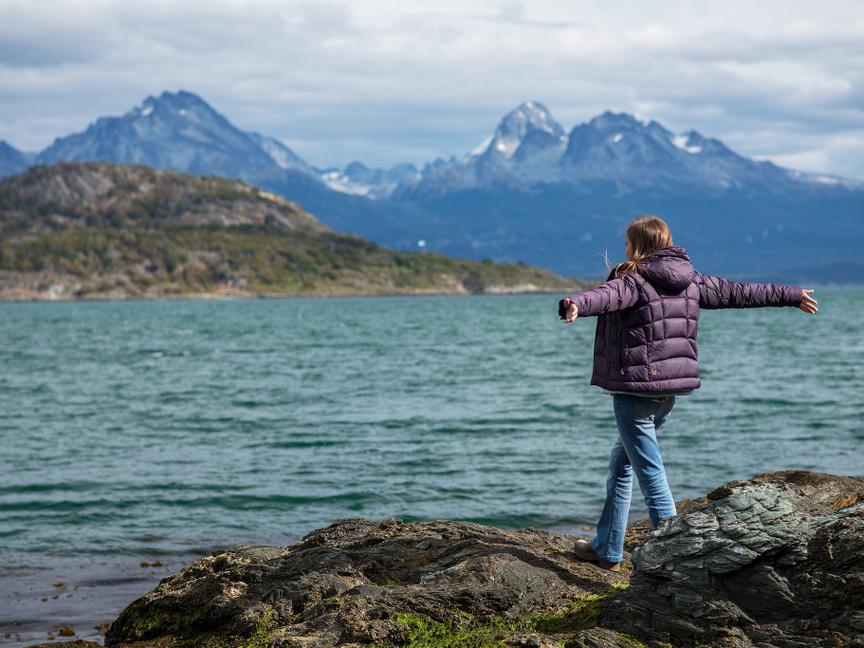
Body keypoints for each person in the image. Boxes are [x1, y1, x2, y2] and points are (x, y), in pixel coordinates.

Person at [558, 215, 817, 572]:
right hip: (669, 391)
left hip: (637, 390)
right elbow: (741, 293)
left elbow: (606, 296)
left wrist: (576, 303)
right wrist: (791, 295)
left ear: (636, 245)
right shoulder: (691, 279)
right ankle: (606, 548)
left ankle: (679, 554)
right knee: (621, 466)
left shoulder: (632, 278)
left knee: (650, 473)